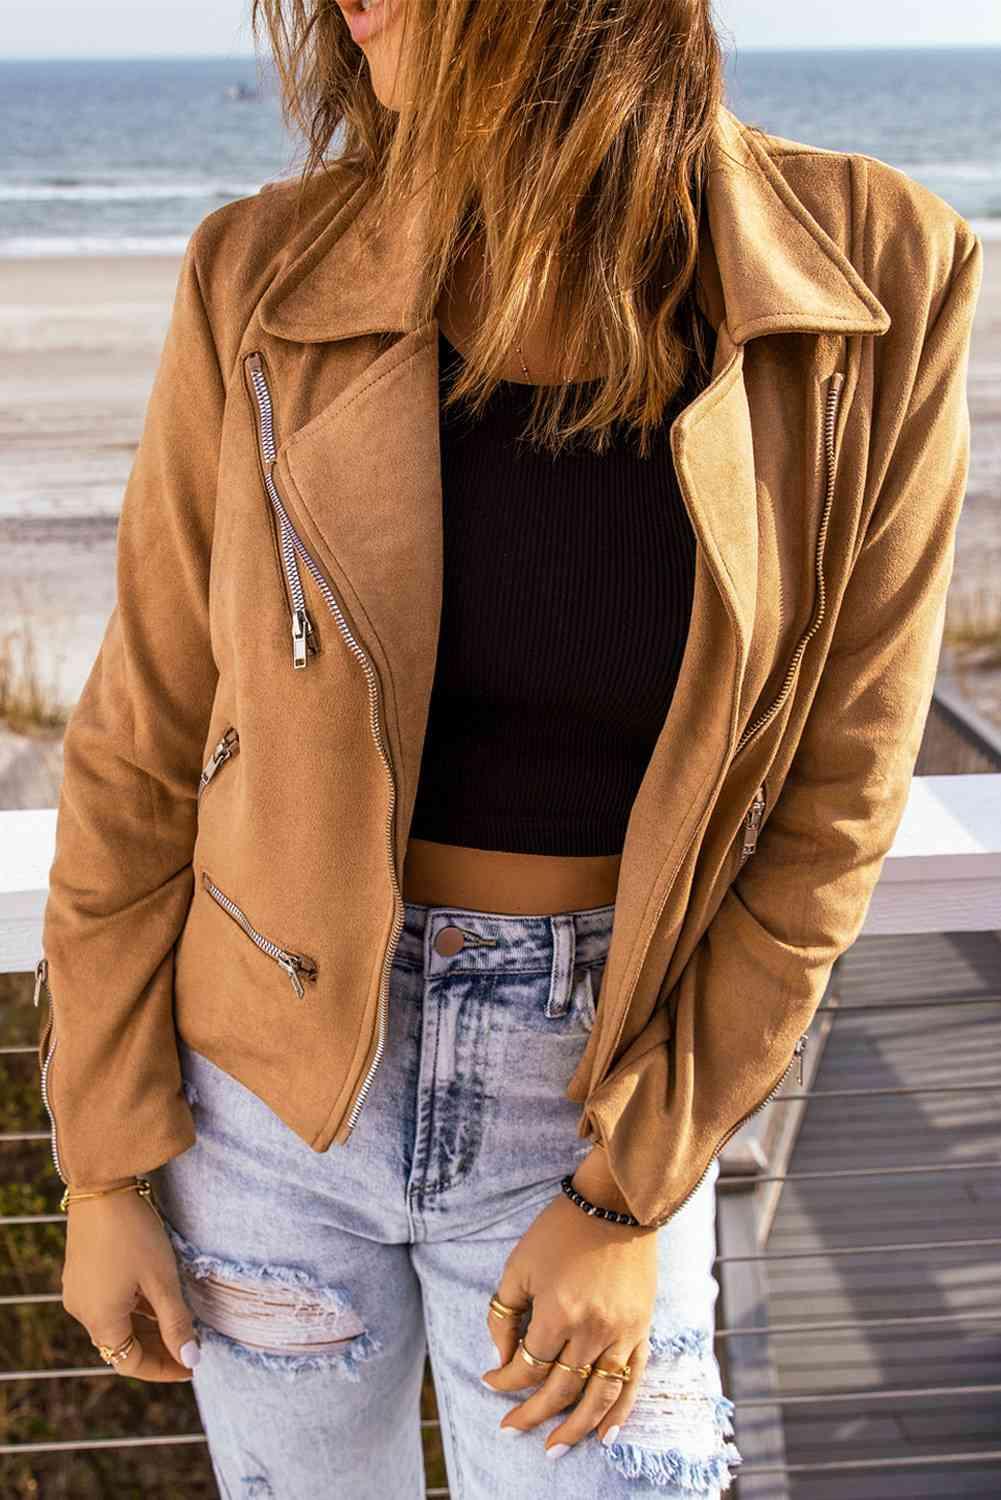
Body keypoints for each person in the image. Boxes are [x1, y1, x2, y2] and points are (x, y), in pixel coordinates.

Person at [36, 1, 982, 1496]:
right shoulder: (261, 271)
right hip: (265, 1109)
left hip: (603, 1085)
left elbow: (832, 803)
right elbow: (142, 743)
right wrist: (99, 1161)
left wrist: (623, 1197)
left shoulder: (874, 270)